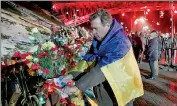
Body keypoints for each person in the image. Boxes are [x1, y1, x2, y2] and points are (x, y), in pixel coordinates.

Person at [56, 9, 144, 106]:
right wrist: (72, 74)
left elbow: (103, 69)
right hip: (105, 88)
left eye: (96, 28)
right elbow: (89, 62)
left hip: (122, 89)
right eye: (92, 28)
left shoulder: (120, 43)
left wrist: (77, 87)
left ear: (107, 26)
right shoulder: (101, 38)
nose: (93, 32)